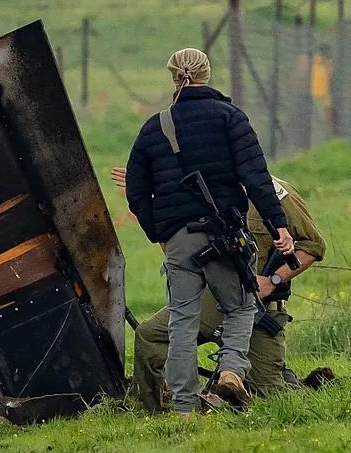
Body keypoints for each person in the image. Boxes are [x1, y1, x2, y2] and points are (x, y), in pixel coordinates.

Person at [124, 48, 295, 417]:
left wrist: (162, 232)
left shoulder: (154, 128)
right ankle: (232, 370)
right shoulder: (230, 117)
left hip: (178, 242)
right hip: (224, 236)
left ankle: (185, 409)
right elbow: (255, 177)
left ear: (174, 77)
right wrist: (279, 225)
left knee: (181, 321)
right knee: (241, 306)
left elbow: (136, 191)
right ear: (208, 73)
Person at [111, 168, 326, 410]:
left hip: (260, 309)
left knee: (270, 396)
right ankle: (145, 408)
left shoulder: (276, 195)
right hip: (214, 299)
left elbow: (314, 245)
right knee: (150, 335)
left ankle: (298, 384)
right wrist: (150, 197)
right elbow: (173, 242)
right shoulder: (202, 190)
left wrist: (273, 281)